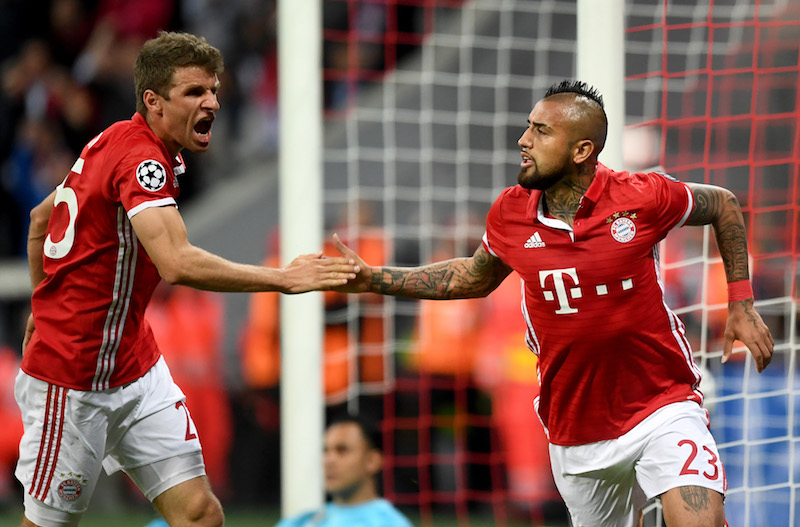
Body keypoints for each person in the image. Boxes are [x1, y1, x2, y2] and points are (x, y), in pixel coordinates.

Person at [332, 79, 775, 526]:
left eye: (541, 131)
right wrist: (371, 278)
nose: (524, 140)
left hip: (661, 403)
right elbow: (471, 277)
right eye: (529, 127)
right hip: (577, 428)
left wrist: (741, 302)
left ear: (581, 150)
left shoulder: (642, 196)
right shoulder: (510, 212)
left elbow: (722, 204)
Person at [15, 31, 359, 527]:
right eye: (194, 92)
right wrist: (284, 278)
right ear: (153, 101)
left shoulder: (115, 139)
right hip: (71, 377)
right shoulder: (141, 160)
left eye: (213, 90)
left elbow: (40, 221)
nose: (212, 102)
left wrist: (40, 304)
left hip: (134, 367)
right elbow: (176, 263)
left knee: (200, 514)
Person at [274, 414, 413, 527]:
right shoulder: (303, 521)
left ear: (372, 461)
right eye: (326, 451)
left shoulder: (389, 524)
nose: (329, 460)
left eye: (342, 450)